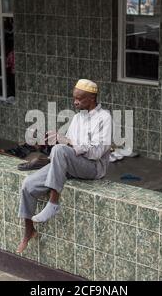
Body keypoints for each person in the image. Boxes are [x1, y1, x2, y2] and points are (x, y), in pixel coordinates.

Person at [16, 79, 113, 253]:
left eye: (79, 99)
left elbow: (97, 152)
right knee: (28, 185)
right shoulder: (77, 118)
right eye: (74, 98)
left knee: (60, 149)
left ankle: (53, 204)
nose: (75, 102)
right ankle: (29, 230)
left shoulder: (104, 118)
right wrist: (47, 144)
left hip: (93, 168)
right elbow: (65, 151)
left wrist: (66, 142)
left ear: (91, 98)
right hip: (72, 166)